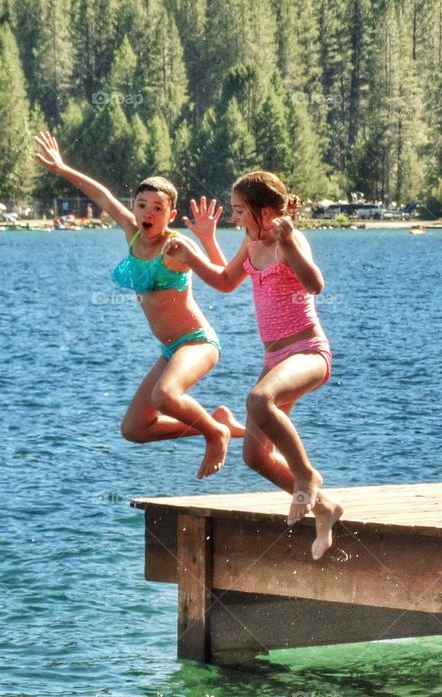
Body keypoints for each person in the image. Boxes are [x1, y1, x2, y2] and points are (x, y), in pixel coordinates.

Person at [34, 131, 244, 478]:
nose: (147, 213)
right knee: (134, 428)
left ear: (170, 214)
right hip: (170, 349)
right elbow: (100, 194)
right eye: (141, 205)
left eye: (157, 208)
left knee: (165, 396)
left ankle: (215, 433)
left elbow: (224, 279)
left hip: (197, 342)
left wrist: (207, 239)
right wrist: (61, 168)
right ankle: (217, 422)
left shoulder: (175, 247)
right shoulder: (131, 232)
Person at [166, 171, 343, 560]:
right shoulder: (250, 243)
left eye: (241, 210)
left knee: (258, 399)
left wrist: (289, 242)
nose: (236, 218)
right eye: (234, 210)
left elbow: (315, 285)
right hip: (275, 357)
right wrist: (191, 253)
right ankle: (326, 509)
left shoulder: (287, 242)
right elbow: (225, 281)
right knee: (255, 456)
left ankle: (306, 475)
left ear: (266, 212)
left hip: (308, 352)